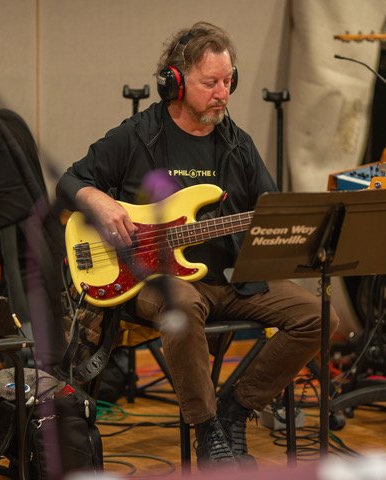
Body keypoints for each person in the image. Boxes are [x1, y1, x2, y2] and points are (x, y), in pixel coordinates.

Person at [57, 21, 340, 470]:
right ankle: (207, 430)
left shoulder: (237, 144)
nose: (222, 93)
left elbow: (269, 211)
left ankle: (235, 410)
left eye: (228, 82)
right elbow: (70, 181)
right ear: (175, 81)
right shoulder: (138, 135)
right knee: (182, 304)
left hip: (229, 277)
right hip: (152, 278)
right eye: (210, 83)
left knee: (317, 315)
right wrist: (99, 202)